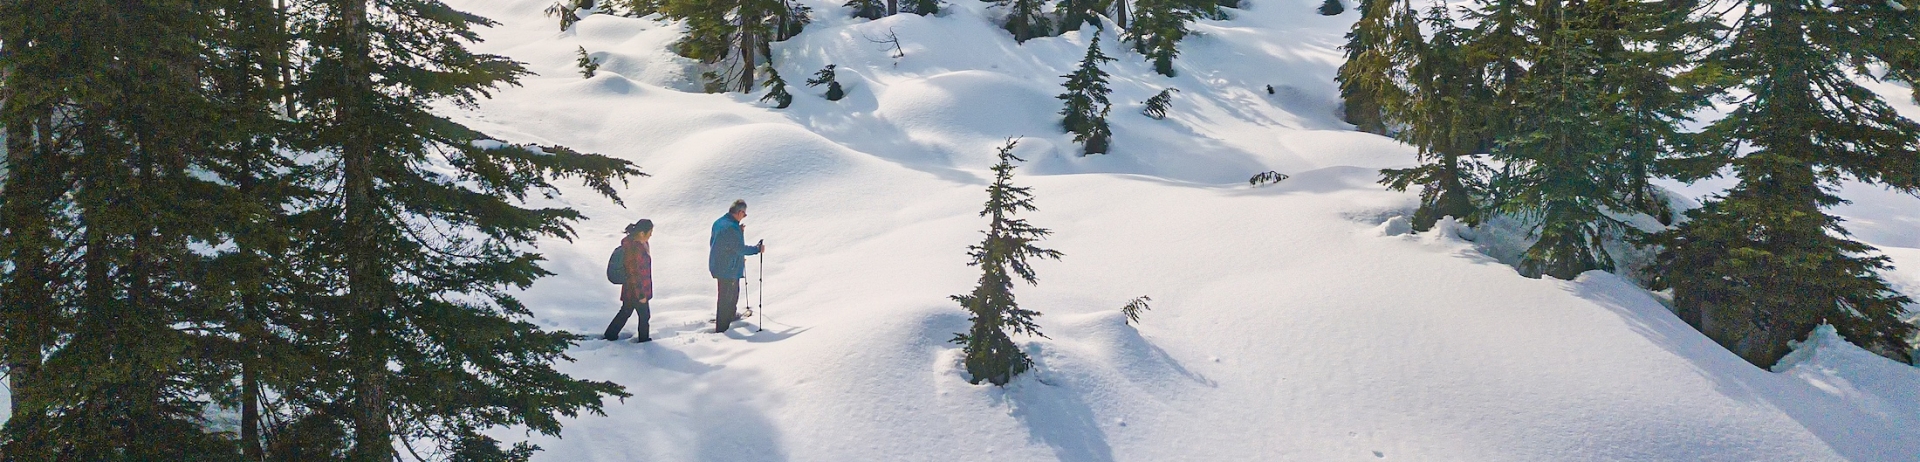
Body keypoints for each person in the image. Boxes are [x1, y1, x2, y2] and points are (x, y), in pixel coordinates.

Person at [709, 200, 763, 332]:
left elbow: (721, 242)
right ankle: (722, 328)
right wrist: (757, 249)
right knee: (725, 298)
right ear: (739, 212)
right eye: (744, 214)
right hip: (727, 268)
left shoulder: (720, 222)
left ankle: (731, 315)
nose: (744, 216)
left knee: (733, 293)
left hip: (721, 264)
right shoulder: (731, 228)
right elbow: (739, 248)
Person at [605, 219, 654, 342]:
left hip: (632, 289)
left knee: (625, 311)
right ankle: (644, 340)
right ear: (642, 233)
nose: (651, 235)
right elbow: (634, 274)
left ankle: (610, 334)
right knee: (644, 315)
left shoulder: (640, 244)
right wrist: (641, 295)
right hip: (636, 289)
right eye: (650, 232)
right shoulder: (634, 249)